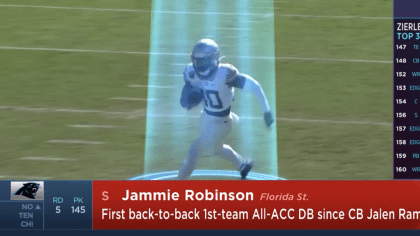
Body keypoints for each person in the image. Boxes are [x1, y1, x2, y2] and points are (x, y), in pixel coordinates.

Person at [178, 39, 274, 180]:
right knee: (217, 149)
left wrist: (266, 110)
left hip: (221, 122)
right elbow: (186, 101)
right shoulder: (191, 72)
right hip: (205, 117)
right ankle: (242, 166)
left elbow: (254, 85)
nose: (199, 65)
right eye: (197, 61)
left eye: (203, 61)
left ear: (214, 58)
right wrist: (189, 100)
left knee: (195, 150)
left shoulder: (225, 74)